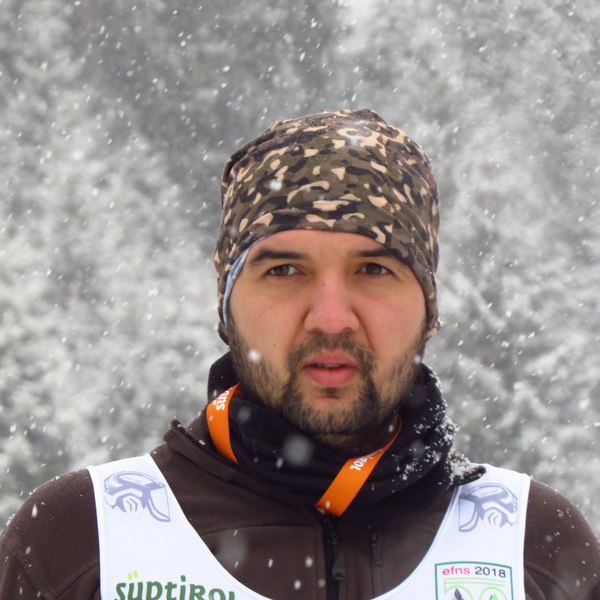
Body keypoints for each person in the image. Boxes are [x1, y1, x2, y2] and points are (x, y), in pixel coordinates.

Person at [1, 109, 598, 600]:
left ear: (428, 310)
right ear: (228, 310)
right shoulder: (85, 540)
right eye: (285, 270)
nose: (331, 318)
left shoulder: (530, 544)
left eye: (374, 269)